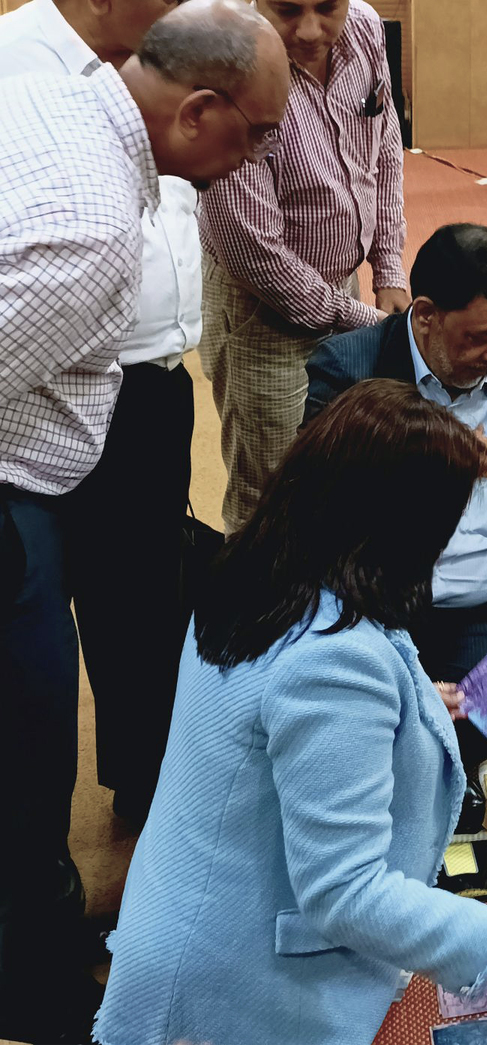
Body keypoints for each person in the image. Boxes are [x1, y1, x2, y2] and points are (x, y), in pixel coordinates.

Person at [95, 380, 487, 1045]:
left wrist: (407, 697)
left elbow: (268, 706)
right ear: (401, 530)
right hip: (231, 984)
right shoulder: (335, 664)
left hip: (190, 906)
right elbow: (346, 892)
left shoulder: (257, 566)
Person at [0, 3, 289, 1038]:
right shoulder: (94, 235)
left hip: (34, 472)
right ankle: (32, 984)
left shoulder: (60, 99)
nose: (257, 159)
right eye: (256, 134)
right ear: (198, 112)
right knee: (30, 742)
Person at [0, 0, 206, 830]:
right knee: (38, 627)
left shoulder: (173, 59)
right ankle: (37, 859)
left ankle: (146, 784)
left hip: (157, 376)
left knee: (145, 600)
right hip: (44, 390)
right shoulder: (17, 57)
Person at [304, 223, 487, 771]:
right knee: (367, 730)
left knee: (474, 729)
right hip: (379, 609)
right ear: (425, 315)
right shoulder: (348, 370)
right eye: (480, 337)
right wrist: (440, 453)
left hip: (485, 608)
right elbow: (316, 504)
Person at [198, 0, 409, 532]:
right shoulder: (227, 68)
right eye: (288, 9)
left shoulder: (364, 28)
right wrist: (364, 320)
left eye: (327, 6)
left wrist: (388, 267)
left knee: (343, 461)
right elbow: (255, 252)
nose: (312, 30)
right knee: (270, 494)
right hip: (261, 310)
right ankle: (259, 590)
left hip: (343, 287)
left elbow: (385, 143)